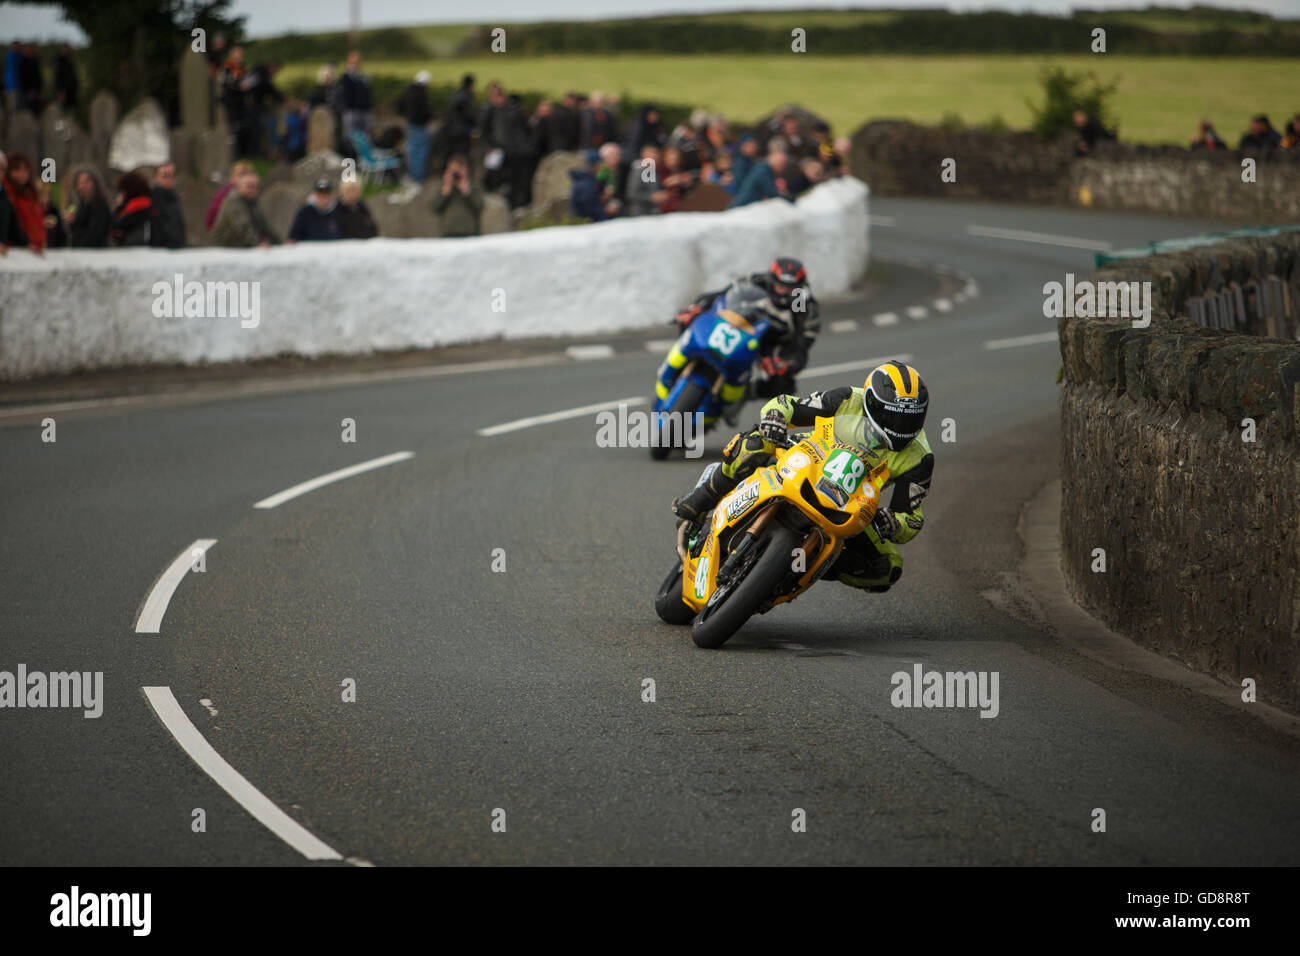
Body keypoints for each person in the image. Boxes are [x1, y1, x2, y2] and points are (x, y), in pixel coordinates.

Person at [672, 361, 933, 594]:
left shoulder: (919, 456)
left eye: (910, 420)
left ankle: (798, 568)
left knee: (887, 568)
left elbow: (911, 517)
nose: (900, 427)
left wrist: (893, 524)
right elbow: (786, 404)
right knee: (755, 443)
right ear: (871, 403)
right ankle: (701, 498)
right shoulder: (845, 399)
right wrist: (775, 419)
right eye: (893, 416)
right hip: (808, 458)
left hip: (850, 502)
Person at [672, 257, 821, 399]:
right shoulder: (756, 280)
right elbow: (722, 294)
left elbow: (802, 345)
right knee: (691, 319)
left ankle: (746, 394)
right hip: (739, 324)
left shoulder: (805, 306)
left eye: (792, 289)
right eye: (781, 286)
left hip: (772, 342)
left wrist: (785, 364)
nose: (785, 293)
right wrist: (696, 307)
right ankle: (680, 361)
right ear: (771, 280)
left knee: (784, 385)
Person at [212, 168, 280, 248]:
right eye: (249, 186)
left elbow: (265, 226)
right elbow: (244, 228)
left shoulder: (251, 201)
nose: (253, 190)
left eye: (256, 187)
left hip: (240, 248)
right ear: (239, 186)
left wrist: (280, 243)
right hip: (223, 249)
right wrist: (258, 244)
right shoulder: (234, 201)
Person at [433, 153, 483, 238]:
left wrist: (467, 191)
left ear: (466, 169)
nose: (457, 174)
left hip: (470, 234)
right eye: (454, 170)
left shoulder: (474, 186)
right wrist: (445, 191)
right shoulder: (443, 187)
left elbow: (480, 206)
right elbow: (435, 208)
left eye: (460, 169)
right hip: (448, 234)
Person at [3, 152, 46, 252]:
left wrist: (40, 241)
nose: (22, 174)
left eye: (25, 170)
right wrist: (26, 243)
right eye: (17, 170)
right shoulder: (7, 194)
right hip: (15, 250)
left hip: (34, 250)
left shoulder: (31, 195)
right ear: (9, 172)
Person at [398, 70, 434, 184]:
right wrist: (429, 118)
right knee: (421, 151)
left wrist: (407, 116)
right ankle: (419, 178)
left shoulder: (409, 90)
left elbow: (401, 105)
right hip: (420, 126)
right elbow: (425, 110)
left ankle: (413, 176)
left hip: (411, 124)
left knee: (413, 151)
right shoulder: (421, 93)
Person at [66, 168, 110, 247]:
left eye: (86, 182)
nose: (82, 186)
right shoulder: (82, 205)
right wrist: (72, 223)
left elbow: (95, 234)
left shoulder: (100, 205)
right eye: (79, 183)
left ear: (95, 183)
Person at [205, 160, 254, 231]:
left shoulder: (250, 194)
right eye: (241, 175)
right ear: (232, 178)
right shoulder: (224, 194)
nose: (244, 179)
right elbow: (210, 220)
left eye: (247, 175)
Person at [287, 178, 341, 242]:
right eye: (320, 194)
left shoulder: (338, 211)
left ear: (331, 195)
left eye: (325, 194)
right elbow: (292, 237)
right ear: (314, 194)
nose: (322, 198)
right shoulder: (304, 212)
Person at [109, 171, 153, 246]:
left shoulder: (136, 208)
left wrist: (119, 206)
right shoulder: (147, 204)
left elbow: (117, 225)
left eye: (121, 191)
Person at [339, 50, 373, 146]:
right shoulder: (345, 77)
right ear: (349, 61)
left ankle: (363, 158)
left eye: (358, 61)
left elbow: (368, 92)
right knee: (350, 137)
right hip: (351, 111)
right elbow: (343, 94)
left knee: (365, 138)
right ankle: (350, 159)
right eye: (354, 61)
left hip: (364, 111)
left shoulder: (364, 77)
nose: (356, 63)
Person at [150, 161, 186, 248]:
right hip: (159, 252)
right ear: (156, 178)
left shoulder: (175, 198)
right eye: (165, 176)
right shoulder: (152, 199)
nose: (170, 180)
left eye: (172, 176)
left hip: (176, 250)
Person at [624, 144, 666, 216]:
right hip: (639, 213)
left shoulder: (654, 170)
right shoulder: (638, 170)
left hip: (653, 213)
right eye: (651, 153)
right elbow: (632, 194)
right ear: (643, 155)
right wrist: (651, 197)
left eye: (656, 153)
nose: (654, 156)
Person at [36, 180, 67, 248]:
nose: (45, 198)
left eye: (47, 194)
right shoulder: (31, 211)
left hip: (53, 252)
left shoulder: (54, 211)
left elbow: (62, 236)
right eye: (42, 194)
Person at [53, 43, 78, 110]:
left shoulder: (69, 59)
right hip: (64, 91)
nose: (68, 50)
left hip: (71, 90)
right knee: (63, 111)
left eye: (69, 48)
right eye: (66, 48)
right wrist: (60, 91)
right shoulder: (60, 60)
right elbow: (57, 76)